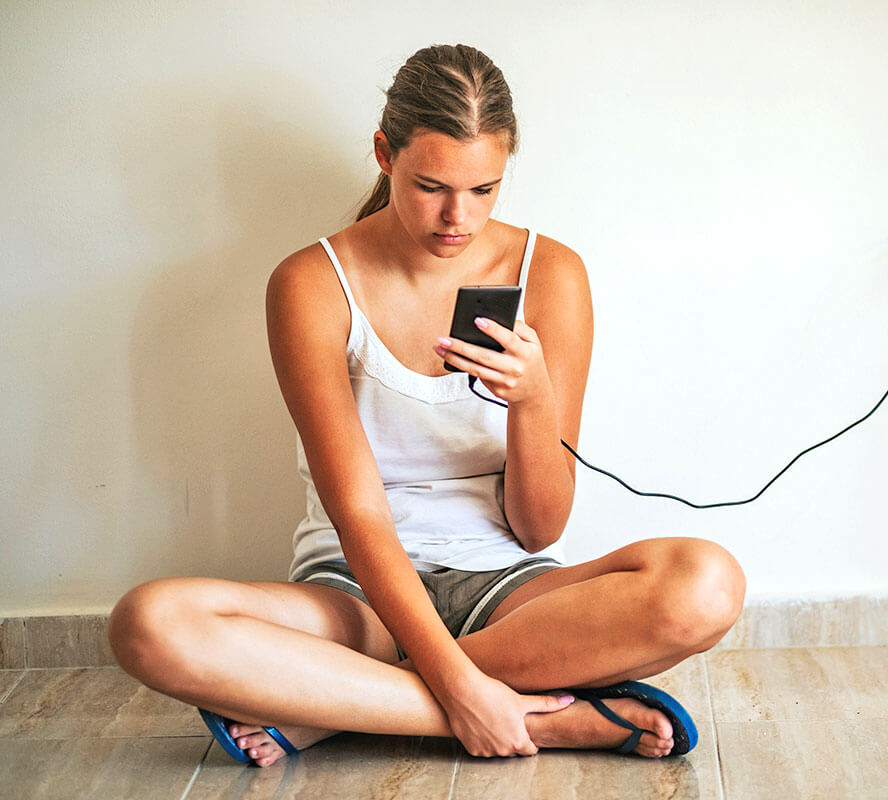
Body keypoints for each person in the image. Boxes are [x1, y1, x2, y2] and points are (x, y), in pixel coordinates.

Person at [108, 43, 745, 767]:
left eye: (483, 189)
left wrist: (533, 402)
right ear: (385, 154)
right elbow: (359, 512)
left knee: (707, 585)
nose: (456, 217)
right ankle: (535, 718)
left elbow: (540, 529)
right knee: (149, 623)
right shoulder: (312, 282)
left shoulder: (552, 273)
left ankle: (337, 708)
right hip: (359, 591)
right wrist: (462, 691)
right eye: (431, 186)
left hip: (511, 593)